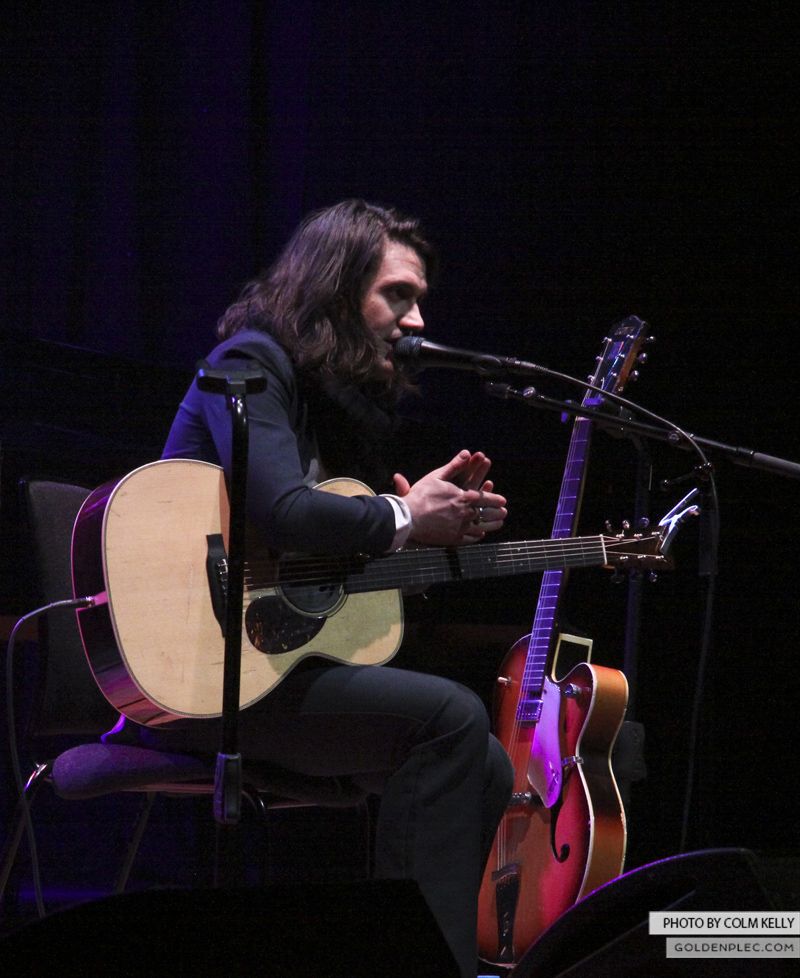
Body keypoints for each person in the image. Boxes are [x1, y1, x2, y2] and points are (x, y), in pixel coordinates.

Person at [109, 199, 514, 977]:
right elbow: (286, 515)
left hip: (272, 671)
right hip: (198, 678)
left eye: (420, 299)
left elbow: (308, 575)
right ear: (336, 288)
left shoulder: (334, 402)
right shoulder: (250, 364)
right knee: (450, 720)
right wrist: (402, 512)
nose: (418, 319)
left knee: (486, 763)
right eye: (398, 294)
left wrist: (426, 533)